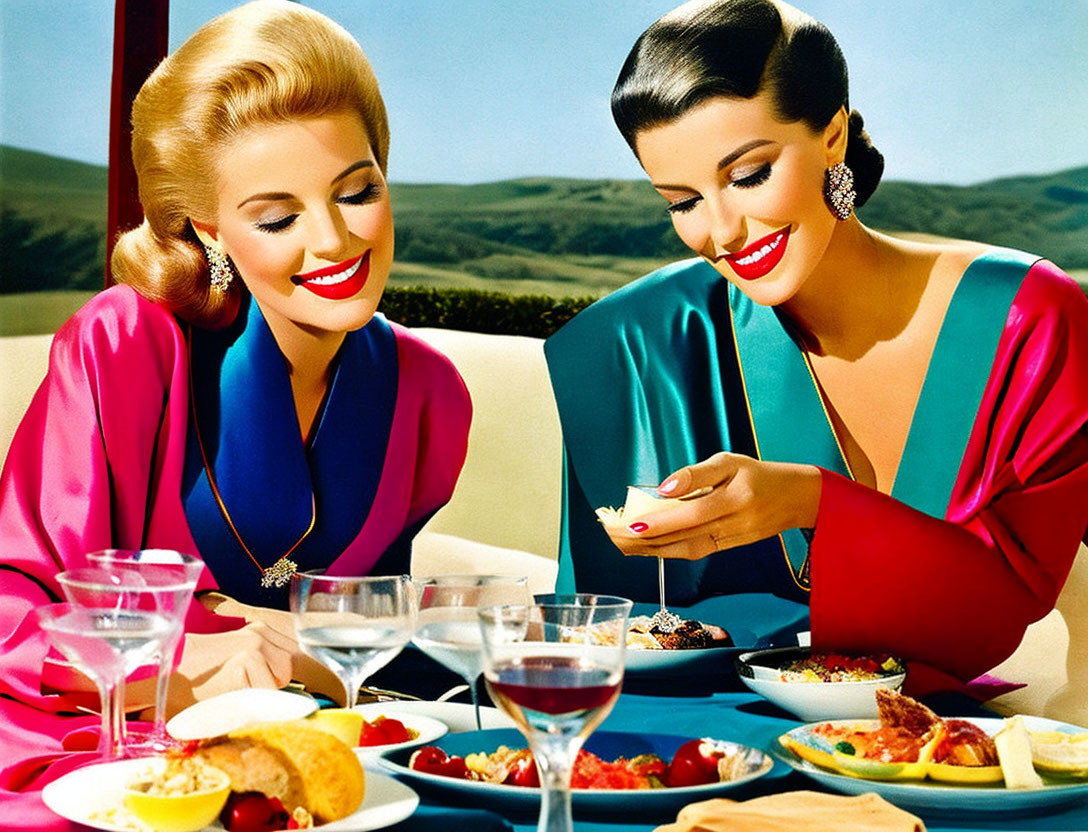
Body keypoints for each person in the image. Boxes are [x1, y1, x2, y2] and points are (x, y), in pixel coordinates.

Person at [545, 0, 1088, 694]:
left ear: (832, 135)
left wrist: (815, 504)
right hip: (714, 742)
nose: (723, 231)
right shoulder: (641, 342)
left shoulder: (1025, 321)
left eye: (748, 176)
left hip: (941, 745)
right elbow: (600, 624)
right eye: (681, 201)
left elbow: (999, 611)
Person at [0, 0, 471, 794]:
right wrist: (175, 657)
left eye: (357, 191)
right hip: (126, 741)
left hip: (327, 759)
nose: (333, 240)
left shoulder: (430, 396)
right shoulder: (126, 345)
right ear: (210, 229)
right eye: (278, 215)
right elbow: (14, 607)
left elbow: (362, 641)